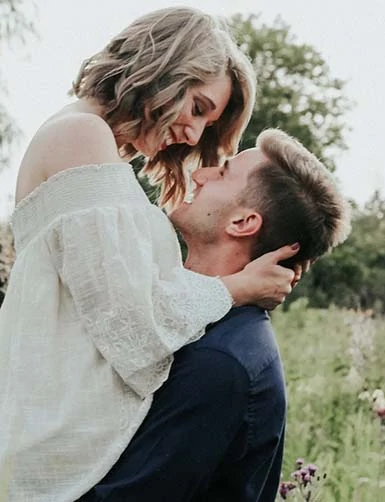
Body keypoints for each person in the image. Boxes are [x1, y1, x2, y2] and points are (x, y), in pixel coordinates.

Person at [0, 8, 310, 501]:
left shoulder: (92, 141)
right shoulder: (80, 137)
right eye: (197, 107)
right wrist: (237, 288)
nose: (194, 137)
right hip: (62, 452)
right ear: (164, 67)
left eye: (205, 122)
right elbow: (133, 332)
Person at [80, 128, 351, 501]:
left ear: (242, 223)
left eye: (222, 172)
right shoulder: (192, 321)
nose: (199, 173)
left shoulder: (220, 362)